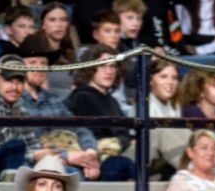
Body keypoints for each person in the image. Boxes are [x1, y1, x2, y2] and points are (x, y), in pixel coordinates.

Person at [17, 36, 136, 181]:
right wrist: (68, 155)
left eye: (43, 63)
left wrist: (90, 152)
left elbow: (79, 127)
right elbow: (27, 143)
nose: (38, 67)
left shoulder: (53, 99)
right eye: (32, 63)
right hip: (41, 161)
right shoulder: (15, 100)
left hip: (77, 156)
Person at [66, 45, 134, 161]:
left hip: (121, 151)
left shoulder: (111, 100)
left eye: (113, 66)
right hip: (104, 156)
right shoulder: (82, 97)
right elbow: (97, 136)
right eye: (102, 65)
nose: (109, 71)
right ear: (90, 68)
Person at [148, 58, 192, 178]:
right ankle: (197, 175)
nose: (170, 82)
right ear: (151, 80)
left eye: (174, 78)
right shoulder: (145, 104)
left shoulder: (174, 106)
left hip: (167, 160)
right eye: (163, 77)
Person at [37, 2, 78, 100]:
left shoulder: (70, 53)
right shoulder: (36, 53)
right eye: (52, 20)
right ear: (43, 25)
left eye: (63, 20)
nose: (59, 25)